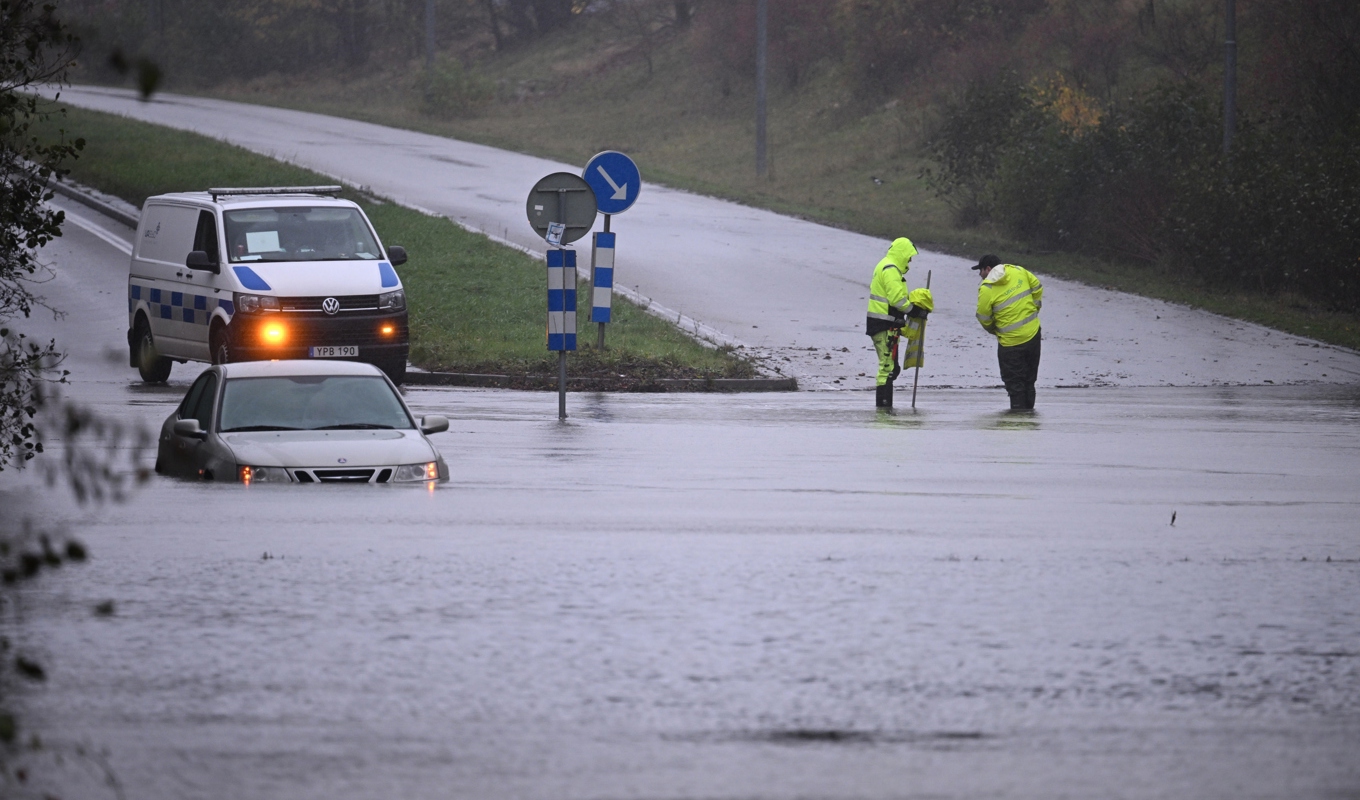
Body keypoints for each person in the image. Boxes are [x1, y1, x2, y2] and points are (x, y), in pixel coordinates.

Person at [865, 238, 933, 409]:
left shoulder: (886, 266)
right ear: (902, 254)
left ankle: (885, 408)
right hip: (883, 325)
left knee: (891, 368)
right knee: (887, 368)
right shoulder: (890, 269)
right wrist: (916, 311)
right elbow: (897, 300)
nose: (910, 261)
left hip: (884, 325)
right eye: (909, 257)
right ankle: (883, 410)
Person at [972, 254, 1043, 410]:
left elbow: (983, 317)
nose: (980, 275)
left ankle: (1017, 418)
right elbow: (1037, 287)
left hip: (1010, 343)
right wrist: (1034, 310)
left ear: (988, 269)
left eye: (981, 271)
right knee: (1029, 380)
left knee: (1015, 383)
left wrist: (996, 330)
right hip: (1032, 335)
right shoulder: (1019, 271)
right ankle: (1030, 416)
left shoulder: (987, 288)